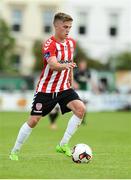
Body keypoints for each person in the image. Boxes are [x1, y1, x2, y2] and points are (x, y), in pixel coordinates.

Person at [9, 12, 86, 161]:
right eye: (65, 27)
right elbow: (53, 64)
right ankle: (15, 150)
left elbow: (68, 62)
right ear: (56, 26)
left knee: (80, 109)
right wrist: (66, 66)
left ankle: (63, 145)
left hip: (64, 88)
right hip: (46, 90)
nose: (68, 30)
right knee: (34, 120)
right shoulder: (49, 44)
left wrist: (70, 77)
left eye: (70, 27)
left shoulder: (71, 43)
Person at [74, 60, 91, 124]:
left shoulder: (88, 72)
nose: (83, 66)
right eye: (82, 65)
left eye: (84, 65)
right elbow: (72, 79)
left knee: (85, 105)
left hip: (85, 90)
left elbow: (89, 79)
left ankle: (83, 119)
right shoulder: (76, 72)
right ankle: (77, 119)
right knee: (79, 105)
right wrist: (75, 84)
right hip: (79, 90)